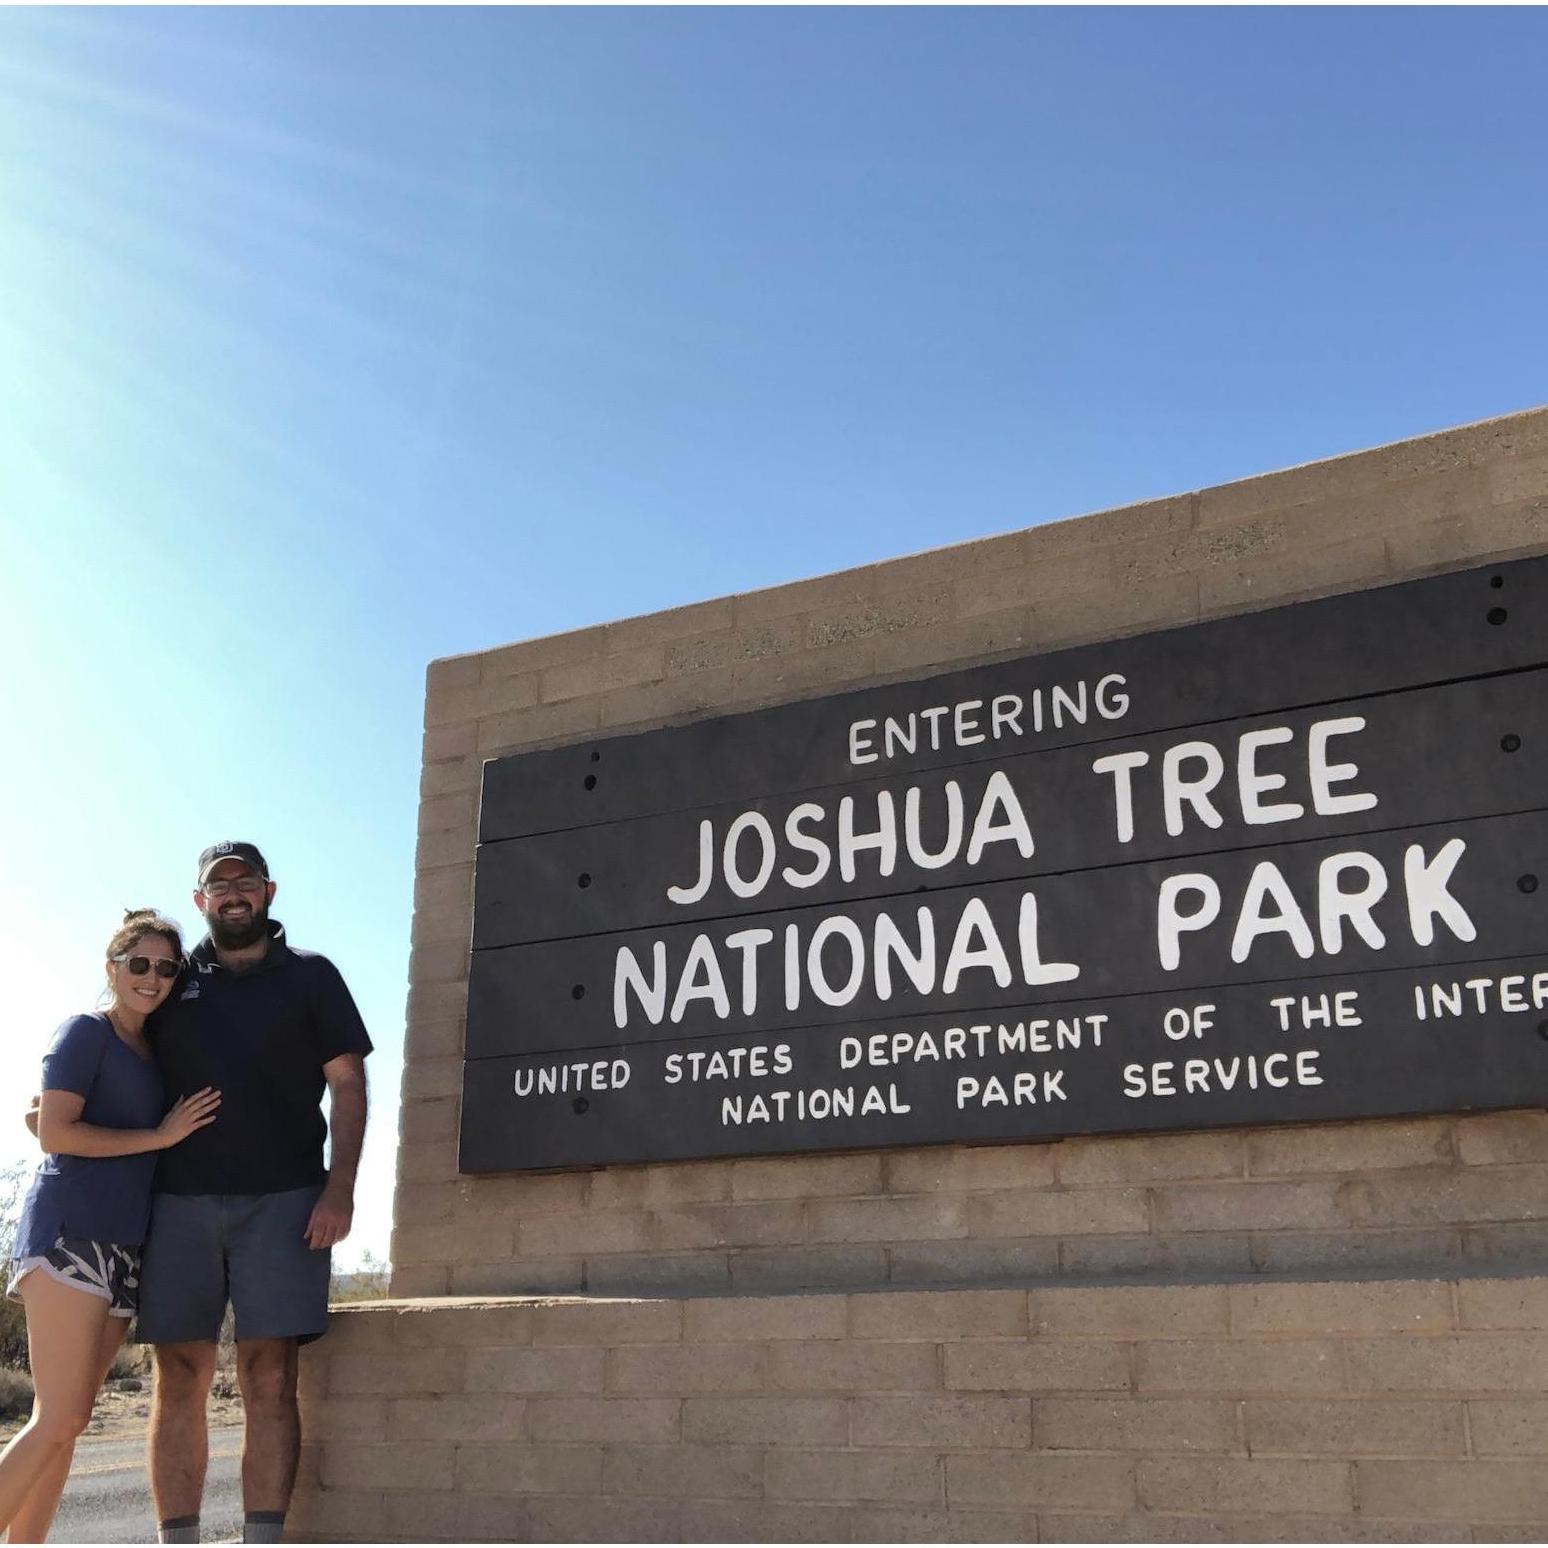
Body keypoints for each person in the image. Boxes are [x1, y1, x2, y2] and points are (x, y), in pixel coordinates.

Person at [137, 842, 371, 1547]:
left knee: (270, 1374)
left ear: (268, 892)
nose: (233, 893)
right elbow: (118, 1038)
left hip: (288, 1203)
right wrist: (57, 1104)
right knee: (179, 1375)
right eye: (218, 884)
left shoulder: (312, 977)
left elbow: (349, 1084)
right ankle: (178, 1540)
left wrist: (341, 1189)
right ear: (200, 899)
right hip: (177, 1202)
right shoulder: (174, 979)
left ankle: (261, 1540)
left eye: (245, 881)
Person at [0, 911, 221, 1543]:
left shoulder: (157, 1053)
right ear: (112, 968)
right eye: (139, 964)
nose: (151, 978)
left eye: (166, 968)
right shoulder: (84, 1032)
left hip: (126, 1250)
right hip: (71, 1237)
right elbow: (55, 1131)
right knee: (58, 1419)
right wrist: (158, 1135)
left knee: (66, 1429)